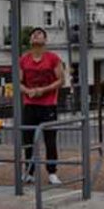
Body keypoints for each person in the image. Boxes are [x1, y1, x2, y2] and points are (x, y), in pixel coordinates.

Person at [19, 27, 64, 185]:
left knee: (50, 140)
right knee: (28, 139)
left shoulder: (52, 58)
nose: (35, 36)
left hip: (48, 104)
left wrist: (42, 90)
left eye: (39, 35)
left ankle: (52, 172)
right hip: (30, 104)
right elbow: (18, 82)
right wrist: (28, 91)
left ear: (45, 40)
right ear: (30, 40)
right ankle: (29, 172)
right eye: (33, 35)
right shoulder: (24, 59)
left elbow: (60, 80)